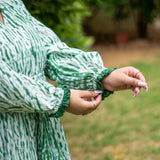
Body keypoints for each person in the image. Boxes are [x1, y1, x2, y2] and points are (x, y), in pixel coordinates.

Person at [0, 0, 148, 159]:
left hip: (40, 135)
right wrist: (59, 99)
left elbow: (50, 49)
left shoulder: (11, 4)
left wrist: (103, 76)